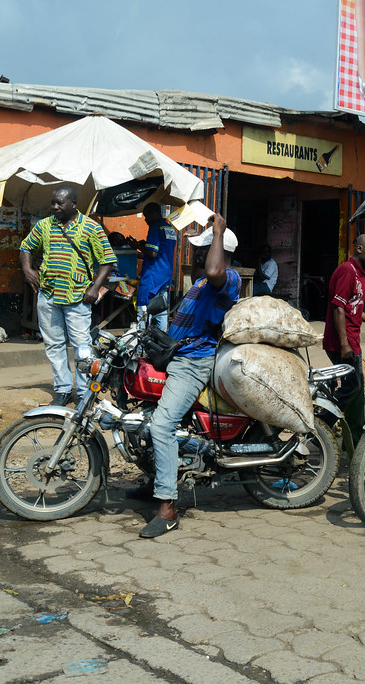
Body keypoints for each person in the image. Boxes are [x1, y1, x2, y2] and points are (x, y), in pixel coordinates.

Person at [136, 214, 241, 538]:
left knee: (163, 425)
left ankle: (167, 507)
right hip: (177, 357)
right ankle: (155, 480)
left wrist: (220, 230)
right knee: (143, 410)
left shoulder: (227, 279)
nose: (197, 255)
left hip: (194, 364)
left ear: (221, 253)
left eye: (205, 248)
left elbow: (214, 270)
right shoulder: (200, 283)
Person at [20, 186, 115, 405]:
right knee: (53, 345)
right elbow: (25, 247)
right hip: (48, 294)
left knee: (81, 346)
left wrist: (94, 288)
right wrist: (27, 270)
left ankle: (84, 393)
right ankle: (62, 390)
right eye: (52, 203)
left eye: (59, 203)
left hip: (78, 297)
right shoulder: (44, 225)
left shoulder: (91, 227)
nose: (54, 207)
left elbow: (107, 260)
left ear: (73, 204)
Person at [322, 234, 365, 443]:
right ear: (359, 249)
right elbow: (338, 307)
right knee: (352, 387)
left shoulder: (361, 274)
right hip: (342, 343)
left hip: (352, 342)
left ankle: (356, 440)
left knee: (358, 394)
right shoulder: (347, 271)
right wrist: (344, 346)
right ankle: (320, 427)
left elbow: (353, 305)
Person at [136, 203, 177, 331]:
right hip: (165, 276)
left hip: (152, 275)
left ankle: (140, 346)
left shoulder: (155, 227)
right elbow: (160, 253)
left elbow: (152, 253)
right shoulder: (169, 227)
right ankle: (163, 343)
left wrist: (138, 246)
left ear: (153, 213)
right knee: (161, 311)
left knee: (143, 309)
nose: (145, 219)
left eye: (146, 216)